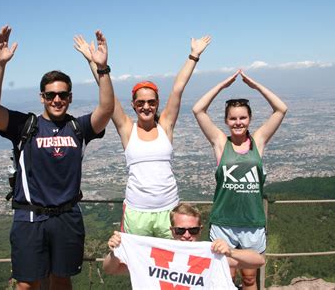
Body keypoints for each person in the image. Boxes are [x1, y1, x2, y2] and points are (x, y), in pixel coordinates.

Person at [0, 25, 114, 290]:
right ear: (42, 97)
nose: (57, 99)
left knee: (61, 280)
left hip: (67, 216)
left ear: (70, 97)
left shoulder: (78, 127)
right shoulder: (25, 126)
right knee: (26, 284)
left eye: (63, 94)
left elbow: (107, 109)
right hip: (30, 218)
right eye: (51, 95)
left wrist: (102, 69)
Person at [74, 35, 212, 238]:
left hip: (169, 211)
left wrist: (194, 55)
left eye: (151, 102)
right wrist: (95, 63)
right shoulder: (127, 129)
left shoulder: (165, 126)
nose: (146, 106)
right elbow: (108, 96)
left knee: (171, 263)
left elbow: (178, 88)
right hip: (136, 212)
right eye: (140, 103)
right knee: (138, 265)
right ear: (133, 105)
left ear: (157, 103)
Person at [192, 69, 288, 290]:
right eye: (233, 118)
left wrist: (256, 86)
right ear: (226, 121)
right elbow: (198, 109)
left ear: (250, 118)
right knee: (224, 278)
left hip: (252, 222)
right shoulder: (220, 143)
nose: (238, 122)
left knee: (250, 279)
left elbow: (281, 109)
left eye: (243, 117)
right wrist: (221, 86)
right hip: (223, 223)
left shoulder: (258, 141)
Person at [103, 203, 265, 289]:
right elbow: (111, 269)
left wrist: (230, 252)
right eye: (181, 230)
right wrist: (115, 253)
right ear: (172, 230)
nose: (187, 235)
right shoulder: (157, 254)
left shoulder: (209, 254)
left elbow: (258, 260)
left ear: (200, 230)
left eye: (193, 230)